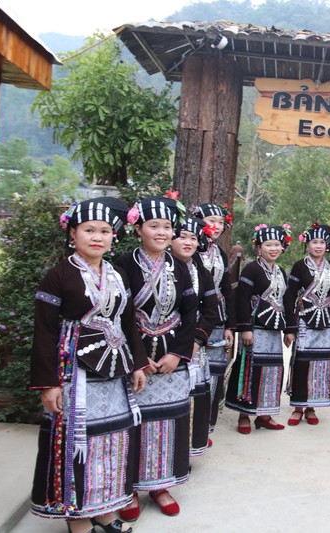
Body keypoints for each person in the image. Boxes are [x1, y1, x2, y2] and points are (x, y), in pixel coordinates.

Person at [29, 197, 146, 533]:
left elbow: (128, 322)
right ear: (73, 234)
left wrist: (137, 364)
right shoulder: (58, 275)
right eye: (89, 230)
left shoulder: (117, 273)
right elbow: (45, 331)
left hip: (113, 371)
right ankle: (78, 517)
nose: (98, 236)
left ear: (114, 237)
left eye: (105, 231)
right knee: (77, 441)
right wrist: (48, 383)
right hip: (74, 371)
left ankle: (106, 511)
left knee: (111, 439)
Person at [114, 194, 198, 520]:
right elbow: (120, 315)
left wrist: (179, 353)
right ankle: (130, 487)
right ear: (139, 229)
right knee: (134, 424)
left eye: (167, 226)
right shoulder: (122, 264)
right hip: (136, 358)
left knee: (166, 422)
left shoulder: (179, 265)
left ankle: (160, 485)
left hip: (171, 357)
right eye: (153, 226)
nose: (162, 232)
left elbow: (191, 311)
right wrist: (136, 359)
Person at [225, 223, 292, 432]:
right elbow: (242, 298)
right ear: (259, 247)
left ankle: (264, 414)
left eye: (277, 244)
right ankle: (244, 414)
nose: (273, 248)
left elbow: (287, 300)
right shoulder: (252, 268)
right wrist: (245, 328)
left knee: (272, 370)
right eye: (268, 244)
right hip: (255, 329)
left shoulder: (280, 271)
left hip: (273, 330)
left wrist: (289, 329)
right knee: (250, 369)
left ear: (283, 247)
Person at [283, 223, 330, 425]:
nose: (319, 246)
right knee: (302, 363)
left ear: (328, 245)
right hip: (305, 320)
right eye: (314, 242)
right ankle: (297, 406)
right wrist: (290, 327)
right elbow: (289, 296)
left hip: (327, 321)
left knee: (322, 364)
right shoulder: (299, 266)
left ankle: (312, 406)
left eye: (322, 242)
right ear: (308, 244)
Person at [169, 216, 221, 456]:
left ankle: (187, 448)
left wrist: (198, 339)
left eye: (193, 237)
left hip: (193, 344)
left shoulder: (201, 272)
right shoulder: (161, 265)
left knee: (194, 395)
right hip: (163, 342)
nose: (188, 242)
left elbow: (211, 309)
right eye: (182, 236)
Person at [192, 203, 236, 440]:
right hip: (194, 318)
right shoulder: (190, 248)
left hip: (216, 319)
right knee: (195, 371)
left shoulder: (218, 252)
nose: (216, 226)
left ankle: (206, 425)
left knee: (215, 372)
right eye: (211, 220)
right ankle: (191, 426)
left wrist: (230, 324)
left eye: (220, 222)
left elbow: (226, 289)